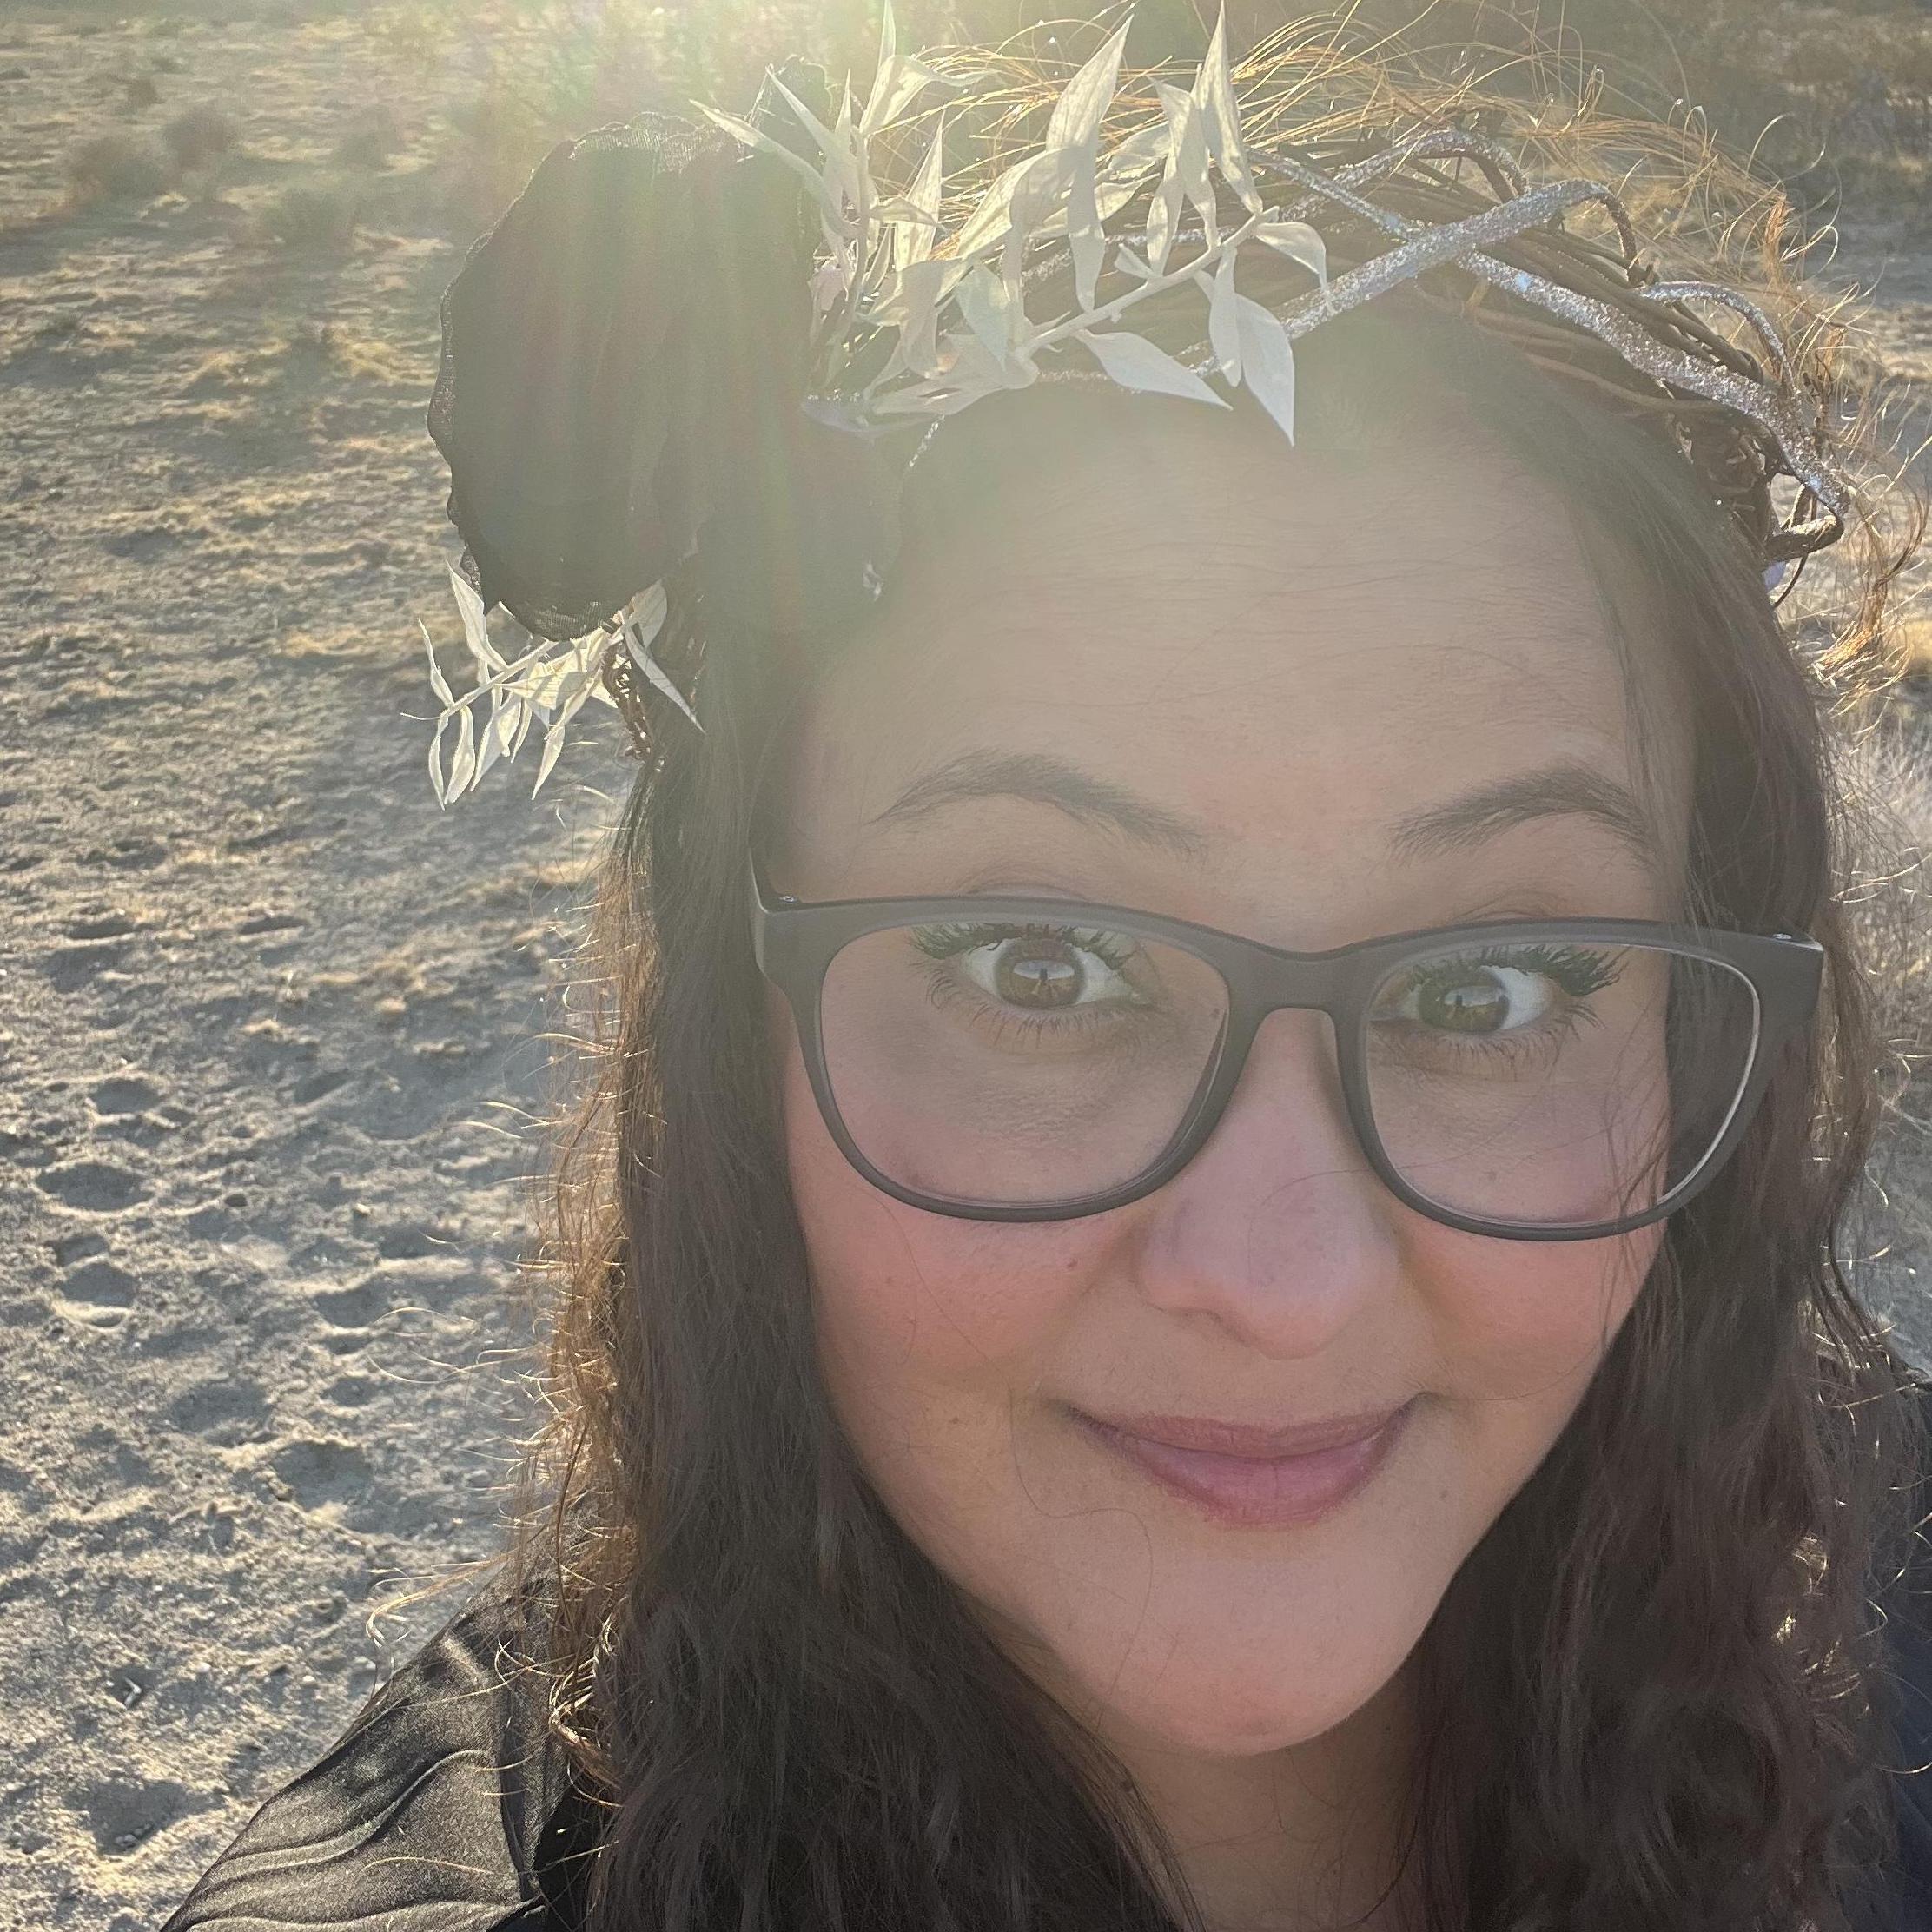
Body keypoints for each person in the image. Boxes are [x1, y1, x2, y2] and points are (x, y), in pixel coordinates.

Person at [161, 12, 1932, 1930]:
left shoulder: (1881, 1591)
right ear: (737, 1023)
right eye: (1040, 966)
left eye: (1490, 986)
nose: (1279, 1283)